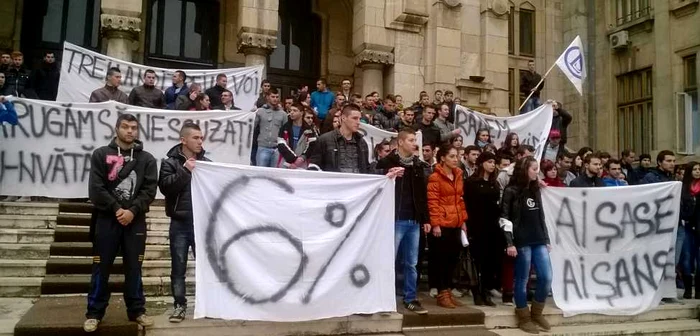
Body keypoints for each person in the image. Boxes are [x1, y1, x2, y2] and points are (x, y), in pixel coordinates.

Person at [84, 114, 158, 332]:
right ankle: (94, 313)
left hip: (135, 222)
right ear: (116, 128)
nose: (130, 131)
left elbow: (149, 190)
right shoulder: (100, 154)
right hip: (106, 221)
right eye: (125, 127)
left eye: (134, 127)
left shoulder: (147, 159)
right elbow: (96, 188)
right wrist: (117, 209)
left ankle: (137, 311)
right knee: (101, 267)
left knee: (134, 268)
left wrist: (132, 211)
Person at [158, 122, 210, 323]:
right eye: (196, 138)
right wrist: (185, 170)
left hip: (201, 223)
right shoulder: (170, 163)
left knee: (205, 266)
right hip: (179, 223)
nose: (200, 141)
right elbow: (166, 188)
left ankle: (206, 304)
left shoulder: (207, 162)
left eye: (201, 138)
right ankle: (179, 306)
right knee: (178, 267)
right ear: (183, 140)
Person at [376, 129, 432, 314]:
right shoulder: (387, 162)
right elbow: (374, 181)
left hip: (414, 220)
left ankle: (411, 298)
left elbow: (422, 195)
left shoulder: (418, 165)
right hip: (394, 218)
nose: (414, 143)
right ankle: (384, 298)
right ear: (400, 142)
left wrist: (425, 218)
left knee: (411, 263)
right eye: (410, 140)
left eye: (415, 140)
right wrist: (387, 174)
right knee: (388, 260)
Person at [501, 156, 553, 333]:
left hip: (538, 239)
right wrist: (510, 243)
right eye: (533, 168)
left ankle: (537, 313)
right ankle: (523, 316)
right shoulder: (511, 190)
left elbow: (541, 216)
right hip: (521, 241)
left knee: (546, 277)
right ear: (525, 170)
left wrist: (546, 239)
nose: (536, 171)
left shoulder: (535, 189)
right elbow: (504, 218)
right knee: (522, 279)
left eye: (537, 168)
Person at [427, 144, 468, 309]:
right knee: (441, 259)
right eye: (451, 156)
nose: (455, 159)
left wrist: (463, 220)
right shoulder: (435, 177)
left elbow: (460, 200)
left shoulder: (458, 175)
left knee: (453, 259)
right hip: (442, 224)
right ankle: (442, 292)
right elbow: (432, 202)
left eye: (456, 156)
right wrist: (435, 224)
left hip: (456, 223)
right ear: (442, 158)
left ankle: (448, 291)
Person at [464, 151, 502, 306]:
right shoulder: (472, 182)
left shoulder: (494, 183)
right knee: (477, 260)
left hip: (492, 226)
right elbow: (468, 203)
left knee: (490, 260)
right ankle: (476, 291)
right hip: (476, 224)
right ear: (482, 163)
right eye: (489, 162)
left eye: (494, 162)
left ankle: (486, 290)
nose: (492, 165)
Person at [308, 103, 373, 173]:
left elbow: (366, 168)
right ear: (343, 118)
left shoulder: (362, 142)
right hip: (333, 182)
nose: (358, 122)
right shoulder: (325, 140)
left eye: (359, 119)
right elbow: (314, 165)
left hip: (357, 182)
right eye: (354, 118)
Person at [680, 162, 700, 300]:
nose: (698, 171)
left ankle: (698, 290)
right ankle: (687, 288)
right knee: (686, 258)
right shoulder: (682, 188)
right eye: (695, 169)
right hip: (686, 226)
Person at [253, 88, 287, 167]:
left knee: (275, 176)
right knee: (260, 174)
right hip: (263, 147)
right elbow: (252, 127)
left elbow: (286, 132)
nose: (275, 99)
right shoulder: (260, 111)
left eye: (277, 97)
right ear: (268, 97)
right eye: (273, 96)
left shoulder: (283, 114)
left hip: (278, 149)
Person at [277, 103, 313, 169]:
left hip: (302, 164)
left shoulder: (309, 130)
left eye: (295, 111)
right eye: (290, 111)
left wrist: (302, 158)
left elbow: (311, 146)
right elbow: (281, 145)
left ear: (301, 113)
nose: (292, 113)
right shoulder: (285, 127)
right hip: (286, 162)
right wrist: (294, 160)